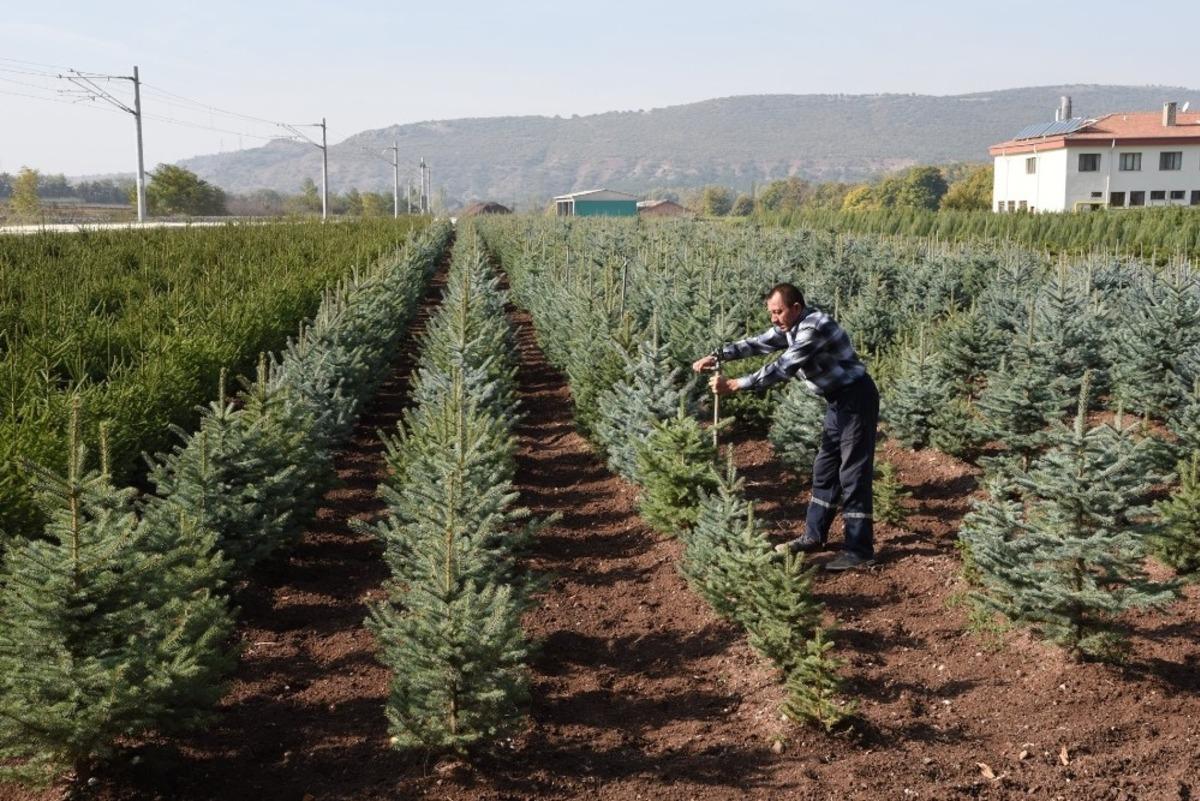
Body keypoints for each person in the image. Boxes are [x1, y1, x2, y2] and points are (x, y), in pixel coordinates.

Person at [691, 282, 879, 571]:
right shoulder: (790, 326)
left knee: (853, 473)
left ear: (796, 308)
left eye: (778, 312)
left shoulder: (813, 328)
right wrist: (718, 355)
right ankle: (814, 537)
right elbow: (757, 343)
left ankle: (859, 551)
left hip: (856, 399)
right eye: (771, 313)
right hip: (837, 402)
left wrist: (736, 384)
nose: (774, 318)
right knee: (825, 469)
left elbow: (784, 367)